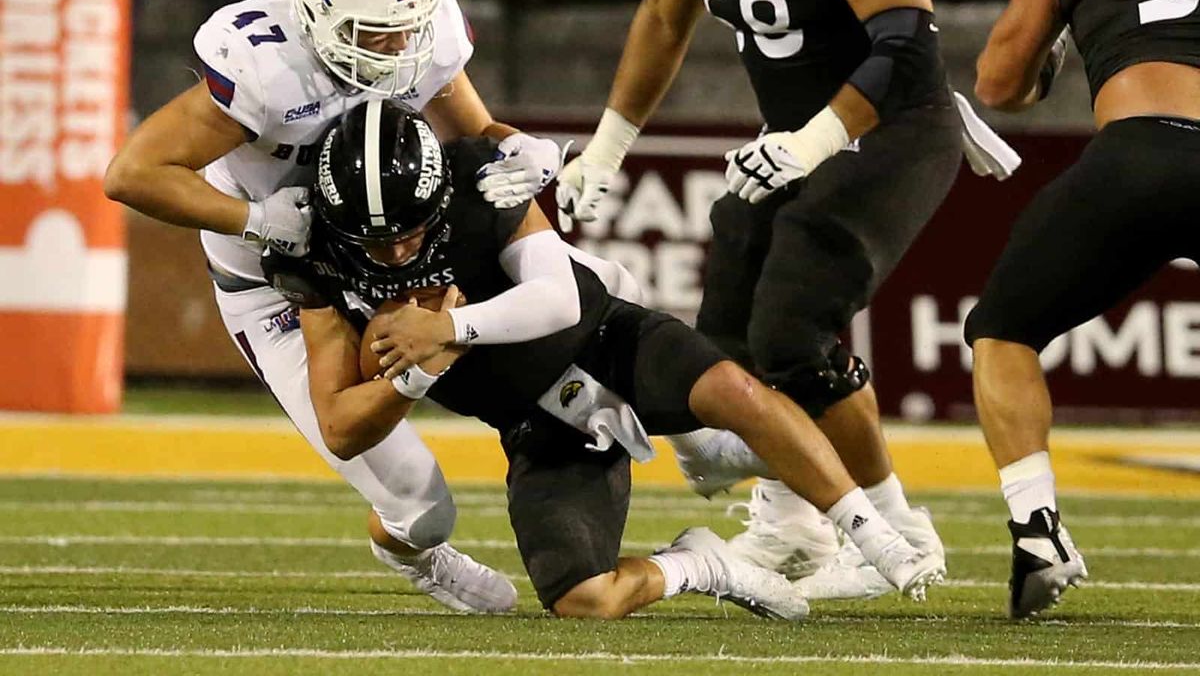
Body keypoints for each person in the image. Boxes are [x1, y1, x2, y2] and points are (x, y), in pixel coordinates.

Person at [265, 99, 946, 619]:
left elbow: (558, 300)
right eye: (373, 241)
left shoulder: (477, 179)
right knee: (582, 600)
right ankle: (703, 565)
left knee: (737, 395)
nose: (395, 254)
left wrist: (452, 328)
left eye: (411, 231)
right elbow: (341, 426)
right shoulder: (313, 255)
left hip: (604, 340)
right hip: (537, 421)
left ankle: (877, 536)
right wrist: (419, 369)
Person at [104, 0, 567, 612]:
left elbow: (476, 129)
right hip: (283, 278)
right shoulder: (265, 67)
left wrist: (519, 147)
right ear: (317, 16)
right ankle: (414, 554)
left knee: (564, 294)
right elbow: (132, 173)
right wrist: (254, 217)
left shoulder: (425, 32)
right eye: (374, 31)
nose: (395, 46)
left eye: (405, 26)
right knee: (421, 505)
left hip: (393, 255)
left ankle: (675, 417)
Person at [554, 0, 958, 596]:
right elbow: (664, 16)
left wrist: (811, 144)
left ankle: (895, 529)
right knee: (726, 341)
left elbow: (906, 39)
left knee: (793, 334)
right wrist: (608, 147)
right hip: (794, 137)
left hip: (894, 131)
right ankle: (793, 524)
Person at [967, 0, 1200, 618]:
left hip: (1138, 151)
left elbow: (1001, 81)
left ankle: (1038, 528)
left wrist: (1055, 55)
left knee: (1002, 334)